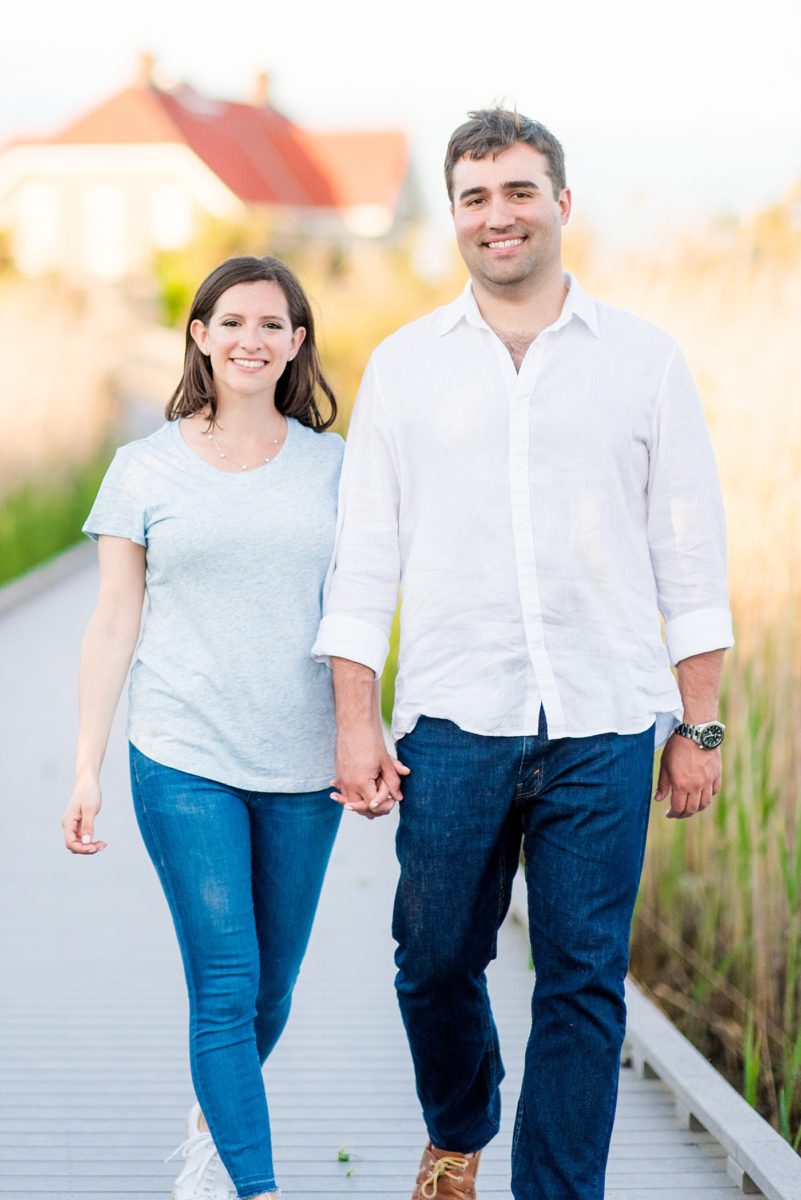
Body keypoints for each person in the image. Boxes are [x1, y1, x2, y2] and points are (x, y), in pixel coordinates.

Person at [312, 109, 733, 1200]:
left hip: (605, 719)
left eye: (518, 191)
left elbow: (687, 548)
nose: (497, 216)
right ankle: (460, 1124)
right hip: (455, 719)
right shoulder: (405, 368)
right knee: (435, 958)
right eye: (474, 197)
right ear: (453, 213)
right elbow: (363, 559)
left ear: (561, 202)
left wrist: (699, 724)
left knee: (585, 981)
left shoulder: (644, 360)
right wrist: (356, 719)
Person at [62, 256, 357, 1200]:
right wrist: (86, 766)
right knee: (226, 980)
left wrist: (369, 732)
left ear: (296, 344)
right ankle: (251, 1183)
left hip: (305, 762)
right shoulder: (142, 468)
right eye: (231, 322)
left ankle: (208, 1121)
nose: (250, 340)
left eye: (272, 325)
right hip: (182, 753)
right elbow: (113, 622)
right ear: (199, 335)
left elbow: (359, 614)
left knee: (269, 992)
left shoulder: (337, 467)